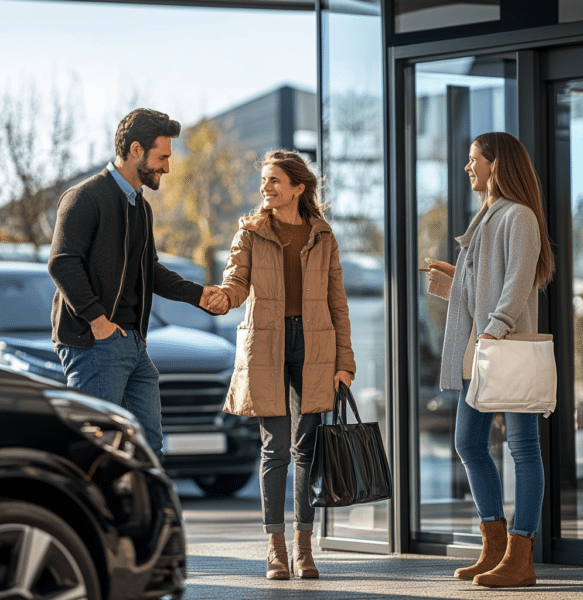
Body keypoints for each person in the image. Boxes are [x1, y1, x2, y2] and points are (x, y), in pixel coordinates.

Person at [205, 150, 356, 580]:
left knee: (304, 448)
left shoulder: (323, 236)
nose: (266, 188)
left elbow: (337, 302)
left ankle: (303, 550)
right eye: (264, 181)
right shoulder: (249, 233)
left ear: (298, 187)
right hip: (266, 346)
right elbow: (236, 283)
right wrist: (221, 298)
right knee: (275, 449)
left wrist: (345, 360)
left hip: (315, 345)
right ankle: (275, 550)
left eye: (274, 181)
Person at [48, 108, 220, 457]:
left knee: (147, 447)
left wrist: (198, 294)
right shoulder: (85, 197)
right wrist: (98, 321)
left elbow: (149, 269)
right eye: (162, 157)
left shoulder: (141, 207)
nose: (167, 168)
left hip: (134, 343)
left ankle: (138, 513)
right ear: (136, 150)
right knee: (97, 447)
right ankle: (95, 513)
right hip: (95, 344)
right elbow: (63, 264)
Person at [425, 132, 554, 588]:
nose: (467, 167)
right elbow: (486, 283)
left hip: (502, 346)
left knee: (522, 448)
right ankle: (495, 547)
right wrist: (452, 277)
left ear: (496, 164)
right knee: (469, 443)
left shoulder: (518, 216)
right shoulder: (486, 216)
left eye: (473, 159)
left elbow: (517, 282)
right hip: (479, 351)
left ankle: (521, 555)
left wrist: (493, 329)